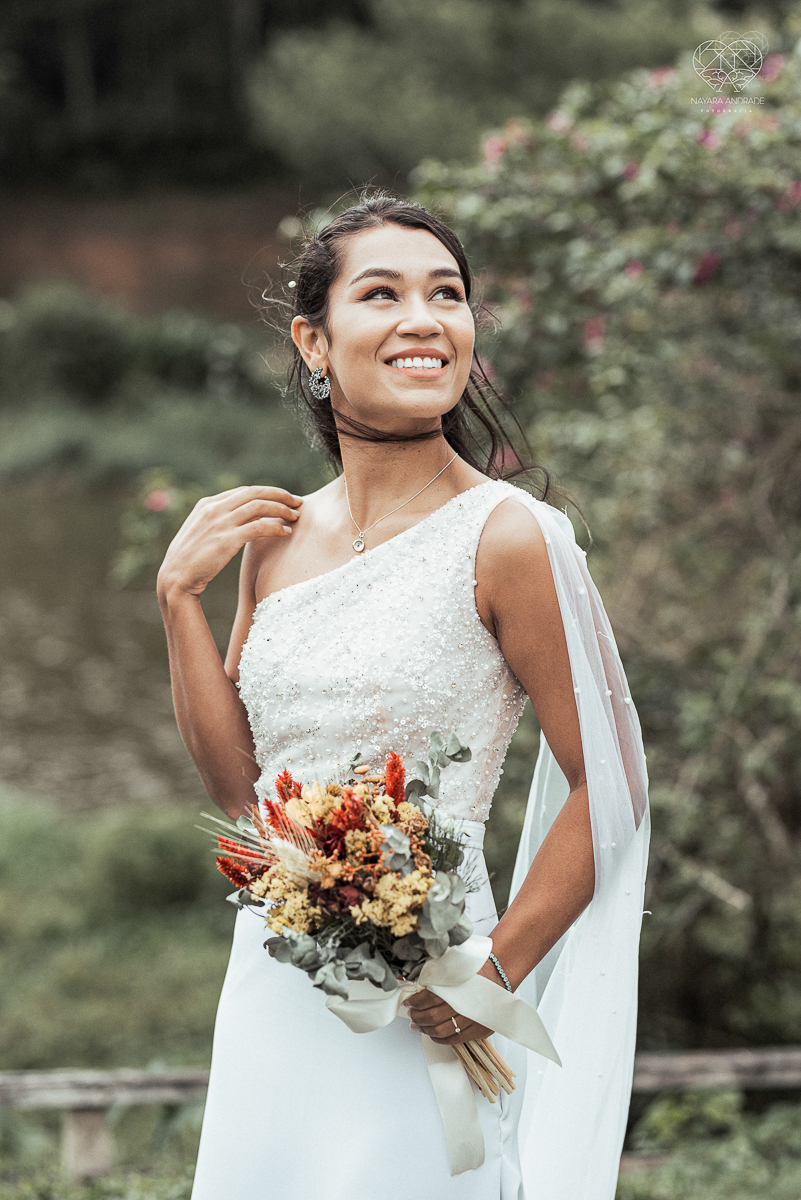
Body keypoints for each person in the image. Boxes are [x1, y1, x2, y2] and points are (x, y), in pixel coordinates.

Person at [156, 192, 650, 1200]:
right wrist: (177, 604)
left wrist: (493, 977)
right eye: (382, 293)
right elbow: (247, 796)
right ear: (314, 342)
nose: (426, 319)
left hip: (436, 977)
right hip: (275, 970)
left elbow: (613, 786)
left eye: (449, 295)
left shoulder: (511, 537)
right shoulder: (277, 539)